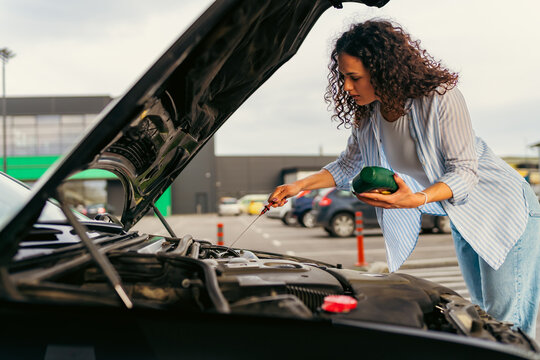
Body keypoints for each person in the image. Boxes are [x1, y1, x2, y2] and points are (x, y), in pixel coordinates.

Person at [268, 19, 540, 337]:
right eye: (342, 77)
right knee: (486, 322)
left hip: (504, 208)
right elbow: (347, 165)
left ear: (382, 71)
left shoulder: (439, 97)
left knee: (509, 325)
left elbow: (465, 171)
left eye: (354, 77)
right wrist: (298, 186)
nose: (346, 87)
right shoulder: (370, 115)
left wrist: (416, 199)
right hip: (465, 218)